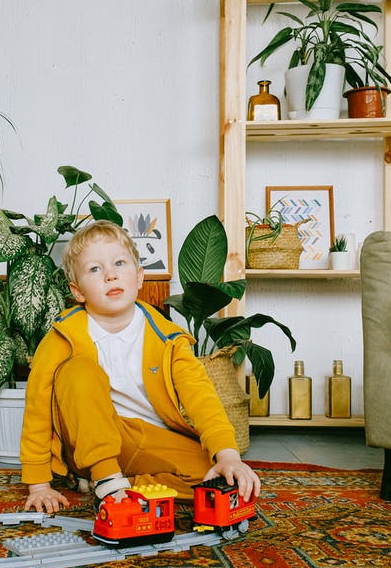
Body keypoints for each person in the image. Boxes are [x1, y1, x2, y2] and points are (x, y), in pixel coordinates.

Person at [21, 219, 261, 514]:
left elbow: (201, 397)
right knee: (77, 371)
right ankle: (104, 473)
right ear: (78, 291)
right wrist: (39, 484)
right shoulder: (63, 336)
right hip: (90, 438)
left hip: (148, 438)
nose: (110, 275)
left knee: (216, 477)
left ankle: (118, 485)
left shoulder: (167, 336)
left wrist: (228, 455)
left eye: (119, 263)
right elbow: (37, 406)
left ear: (138, 277)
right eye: (95, 269)